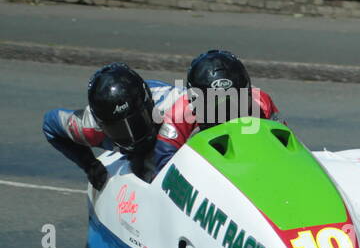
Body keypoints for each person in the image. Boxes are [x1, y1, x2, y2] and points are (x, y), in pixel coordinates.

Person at [42, 63, 187, 186]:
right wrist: (89, 164)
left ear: (149, 106)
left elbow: (207, 104)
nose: (132, 136)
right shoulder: (89, 128)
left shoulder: (175, 107)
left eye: (136, 122)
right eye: (118, 129)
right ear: (101, 124)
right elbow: (50, 125)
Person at [155, 50, 283, 169]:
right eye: (217, 106)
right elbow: (162, 165)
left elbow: (285, 148)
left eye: (235, 102)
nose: (227, 115)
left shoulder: (262, 103)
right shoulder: (179, 115)